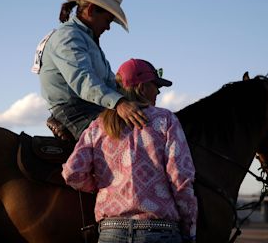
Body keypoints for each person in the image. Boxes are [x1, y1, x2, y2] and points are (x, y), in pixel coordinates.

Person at [62, 58, 198, 243]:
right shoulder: (165, 120)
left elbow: (72, 173)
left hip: (111, 232)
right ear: (141, 88)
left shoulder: (98, 126)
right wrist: (189, 226)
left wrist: (104, 186)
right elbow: (180, 177)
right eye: (155, 85)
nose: (158, 90)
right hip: (159, 231)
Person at [32, 0, 147, 140]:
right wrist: (120, 103)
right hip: (74, 111)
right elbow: (83, 79)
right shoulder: (69, 37)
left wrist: (133, 100)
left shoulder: (86, 39)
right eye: (108, 20)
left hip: (91, 108)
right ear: (92, 10)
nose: (108, 28)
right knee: (125, 142)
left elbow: (108, 83)